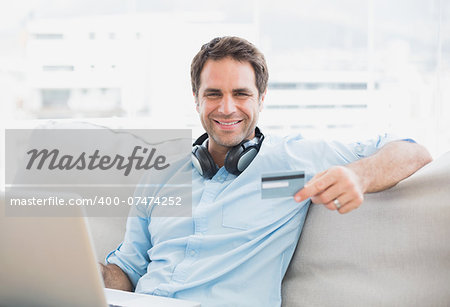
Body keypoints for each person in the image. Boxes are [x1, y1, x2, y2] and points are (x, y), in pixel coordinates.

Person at [101, 36, 432, 306]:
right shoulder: (161, 175)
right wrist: (80, 275)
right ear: (196, 99)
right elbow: (128, 268)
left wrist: (360, 175)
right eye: (213, 94)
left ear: (261, 98)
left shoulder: (294, 160)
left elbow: (412, 150)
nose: (226, 108)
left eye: (241, 94)